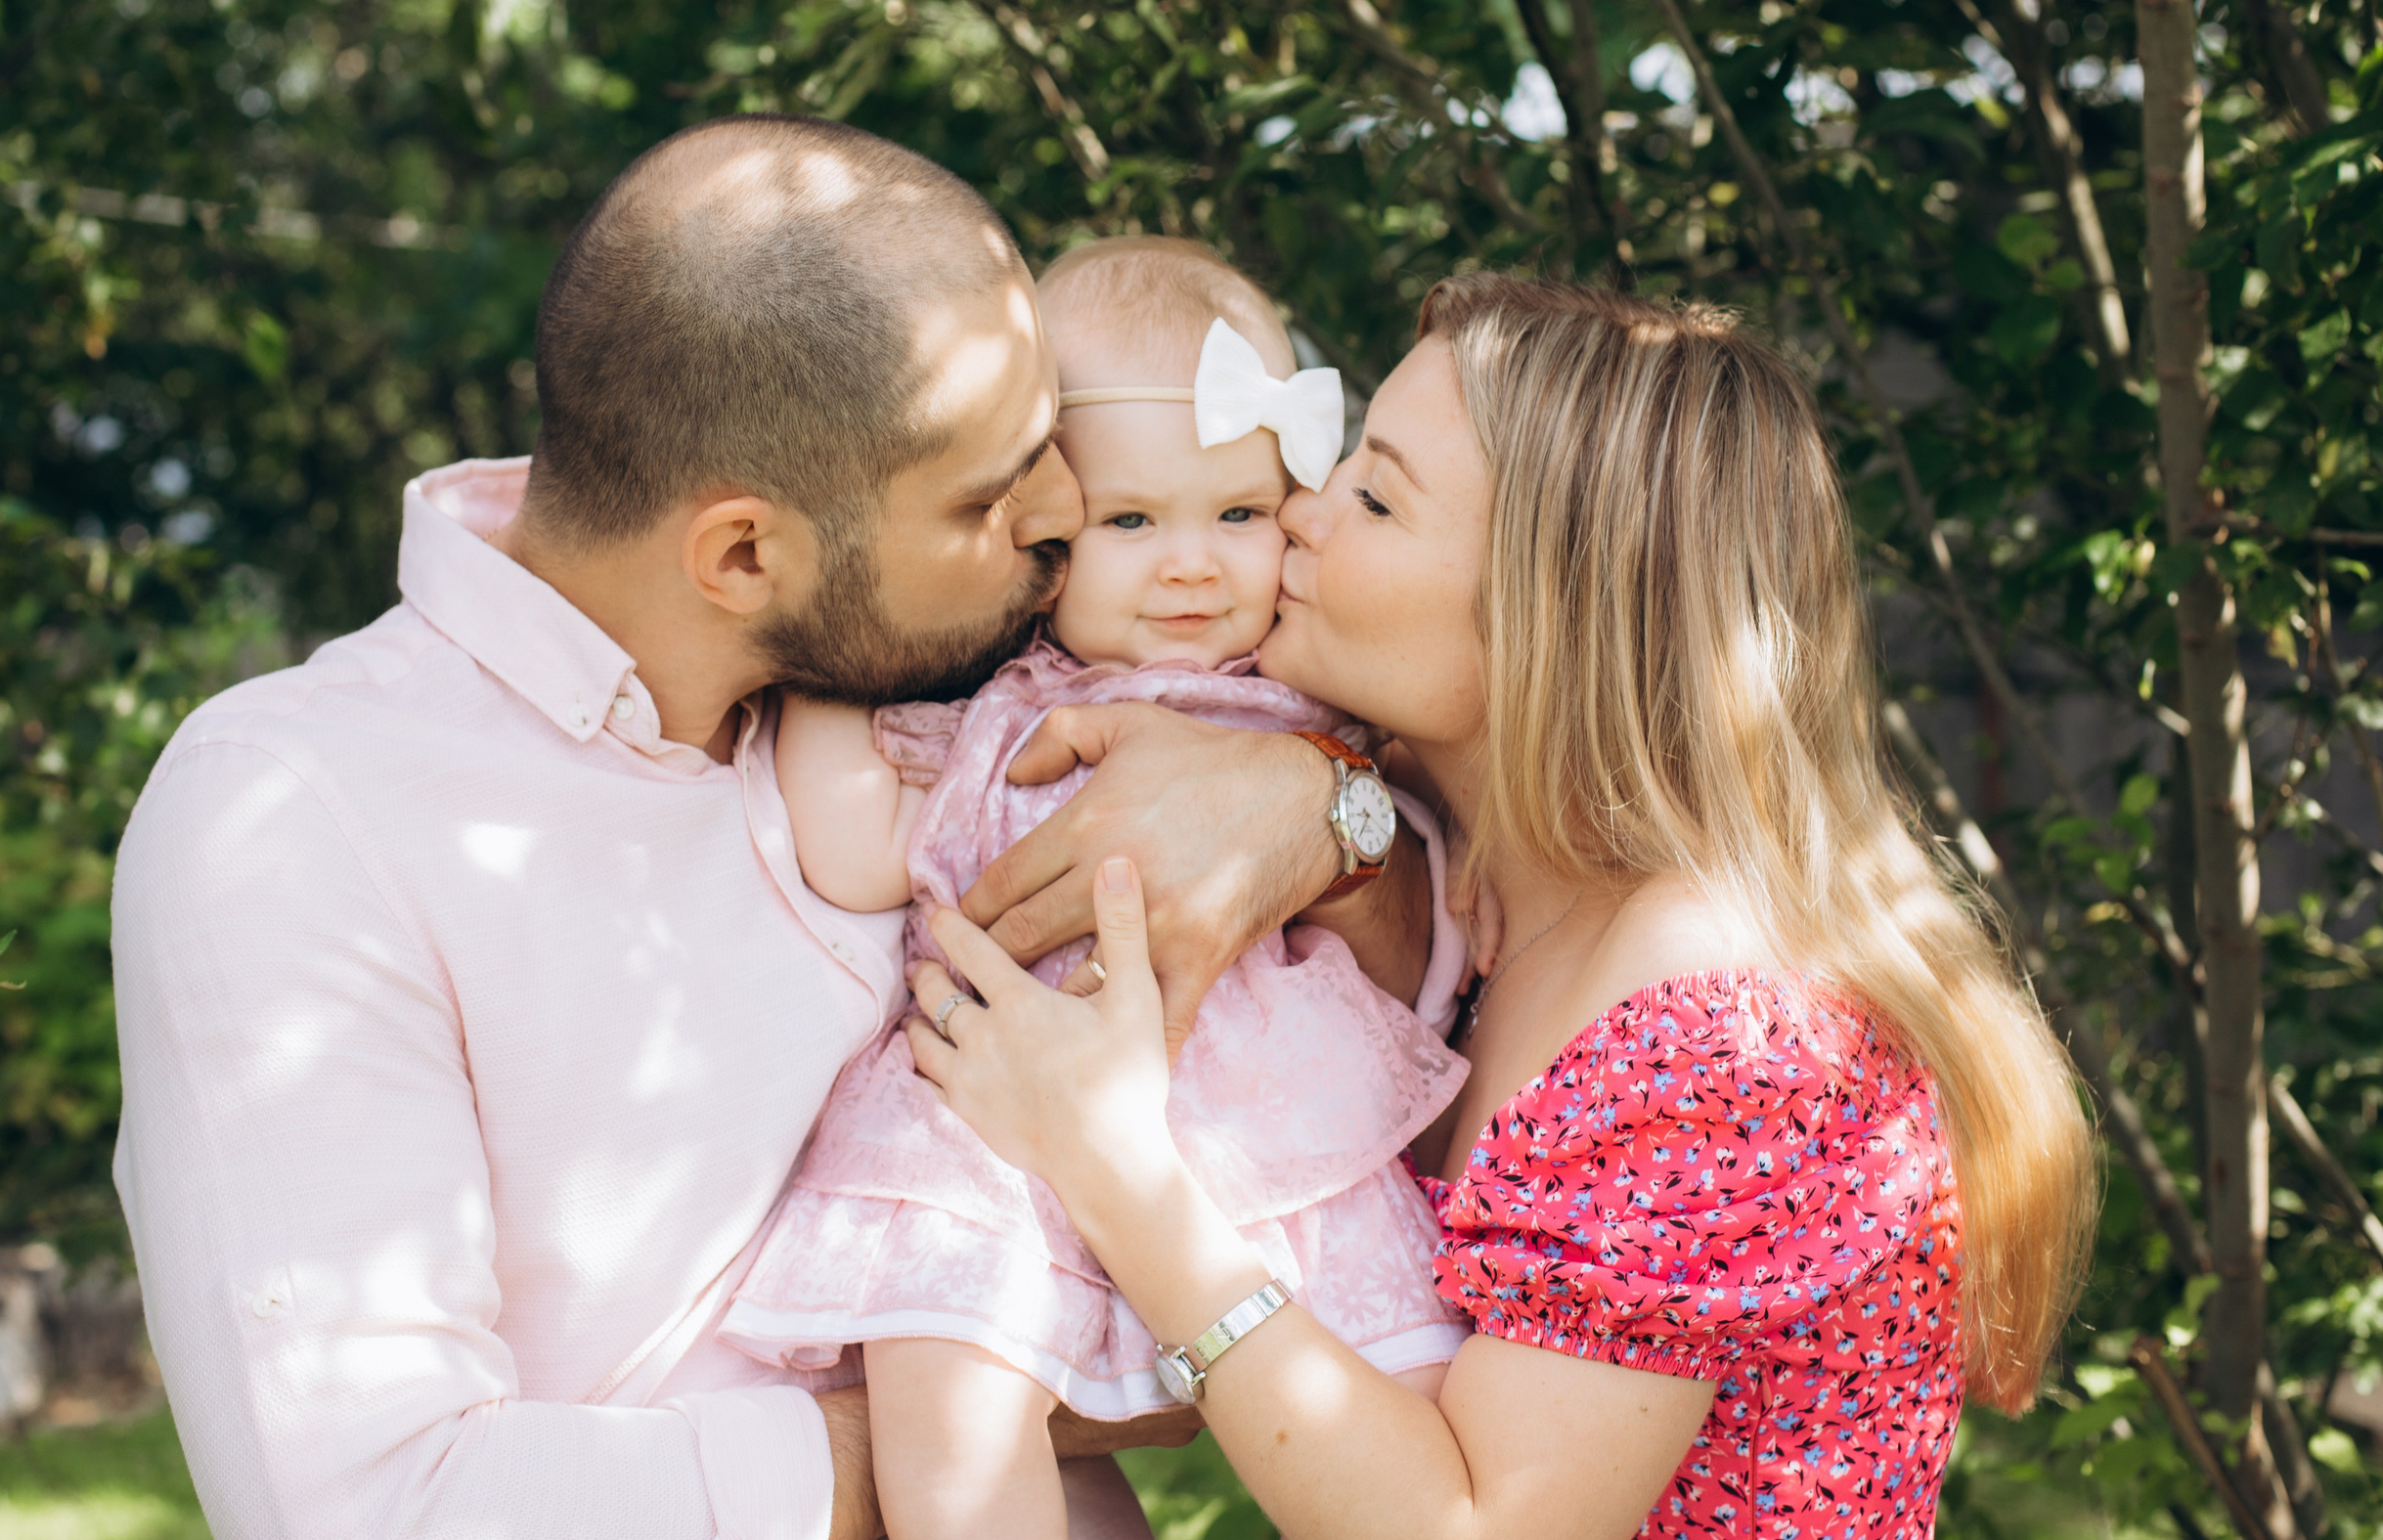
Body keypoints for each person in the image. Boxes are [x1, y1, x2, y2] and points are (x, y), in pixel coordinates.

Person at [108, 117, 1443, 1540]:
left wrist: (1325, 810)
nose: (1067, 510)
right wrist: (988, 1381)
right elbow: (378, 1510)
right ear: (745, 554)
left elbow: (1412, 966)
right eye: (992, 491)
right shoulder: (297, 819)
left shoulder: (972, 670)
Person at [904, 276, 2101, 1539]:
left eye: (1375, 497)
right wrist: (1318, 802)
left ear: (1549, 611)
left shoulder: (1713, 1035)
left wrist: (1112, 1164)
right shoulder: (1469, 873)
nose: (1299, 512)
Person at [721, 239, 1474, 1540]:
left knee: (1407, 1390)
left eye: (1238, 515)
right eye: (1130, 522)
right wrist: (832, 664)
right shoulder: (989, 710)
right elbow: (854, 848)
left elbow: (1420, 887)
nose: (1191, 565)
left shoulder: (1314, 696)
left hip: (1272, 1123)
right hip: (992, 1123)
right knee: (949, 1404)